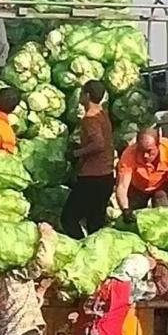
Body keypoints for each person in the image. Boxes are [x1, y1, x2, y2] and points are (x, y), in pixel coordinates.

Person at [60, 80, 115, 239]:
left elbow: (98, 143)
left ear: (87, 95)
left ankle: (80, 245)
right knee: (95, 223)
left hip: (92, 177)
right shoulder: (103, 114)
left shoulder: (90, 118)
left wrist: (77, 153)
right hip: (106, 175)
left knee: (69, 218)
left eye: (82, 93)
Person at [115, 129, 168, 213]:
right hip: (137, 187)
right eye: (141, 151)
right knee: (133, 216)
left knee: (162, 213)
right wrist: (125, 209)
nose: (145, 155)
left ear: (158, 145)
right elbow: (122, 186)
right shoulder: (129, 155)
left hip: (161, 186)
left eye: (149, 151)